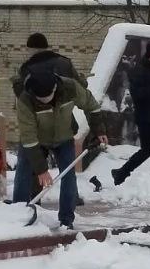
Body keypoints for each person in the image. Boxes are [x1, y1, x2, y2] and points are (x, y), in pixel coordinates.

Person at [13, 66, 107, 230]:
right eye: (39, 98)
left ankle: (66, 219)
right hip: (35, 140)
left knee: (68, 175)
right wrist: (42, 169)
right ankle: (18, 214)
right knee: (23, 171)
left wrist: (99, 131)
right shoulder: (25, 100)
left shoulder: (70, 88)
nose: (43, 100)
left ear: (55, 87)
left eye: (47, 96)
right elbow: (28, 138)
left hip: (64, 138)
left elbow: (91, 106)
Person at [13, 34, 90, 203]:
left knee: (28, 163)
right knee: (67, 169)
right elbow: (81, 87)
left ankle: (29, 201)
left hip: (39, 127)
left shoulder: (28, 67)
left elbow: (23, 97)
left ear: (30, 49)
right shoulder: (65, 62)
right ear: (47, 46)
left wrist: (17, 83)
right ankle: (72, 199)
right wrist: (82, 80)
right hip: (63, 125)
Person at [111, 42, 150, 186]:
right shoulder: (139, 71)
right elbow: (137, 95)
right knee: (146, 151)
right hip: (146, 118)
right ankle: (121, 173)